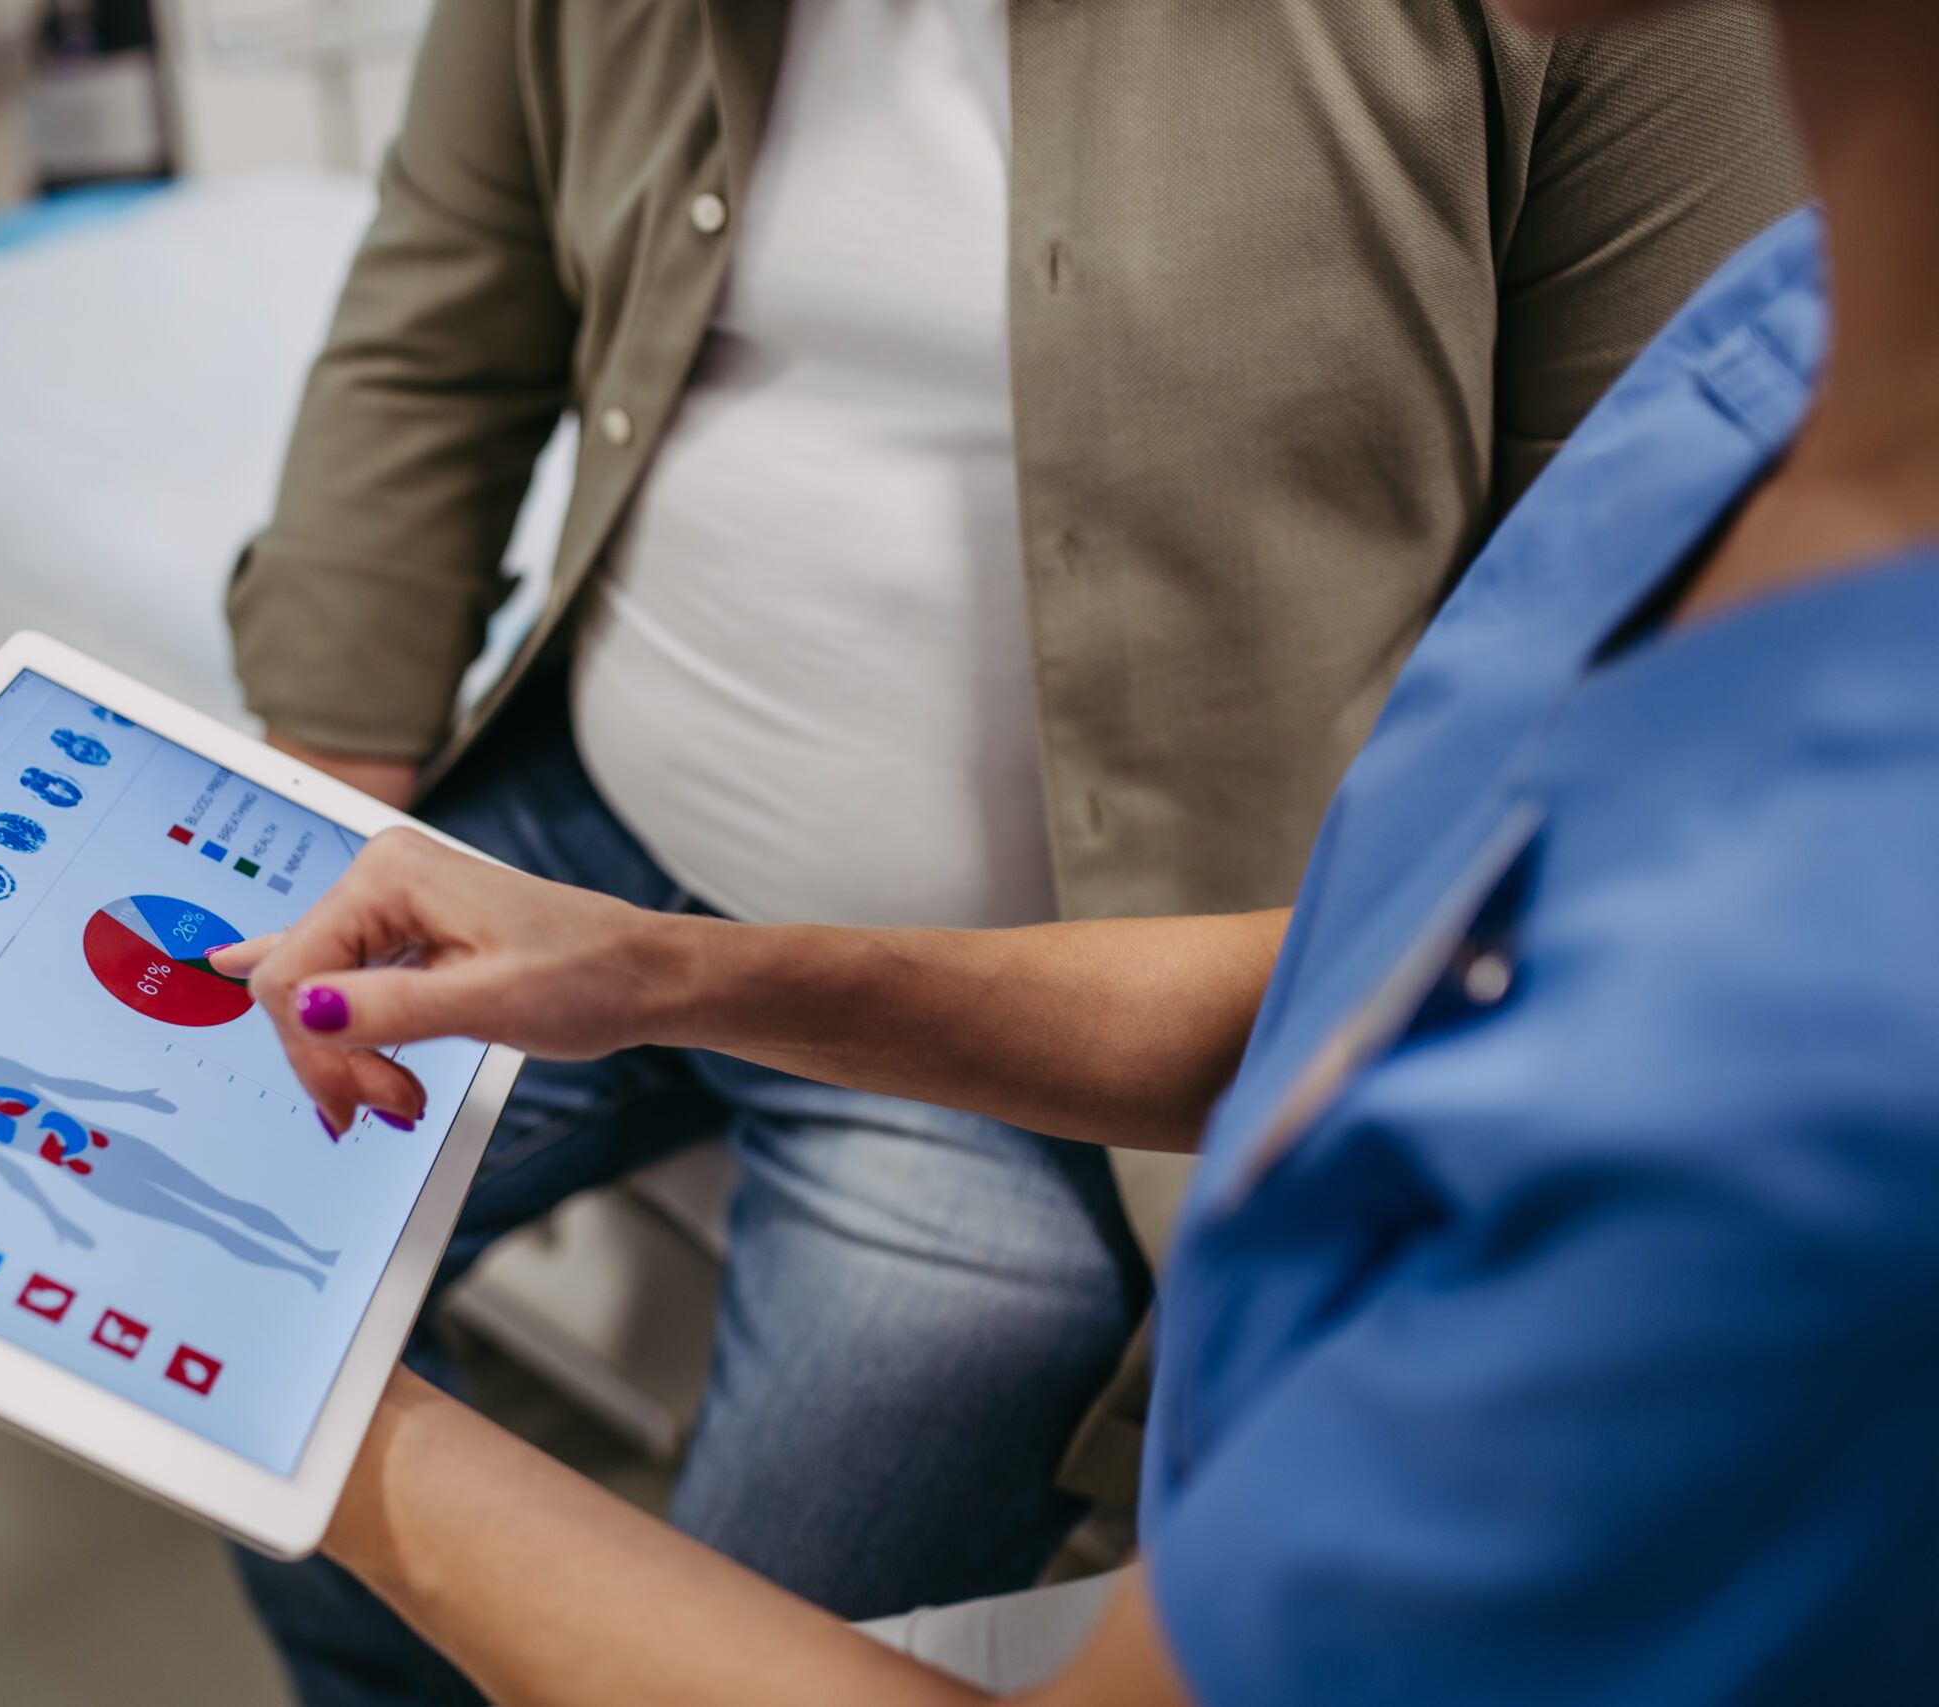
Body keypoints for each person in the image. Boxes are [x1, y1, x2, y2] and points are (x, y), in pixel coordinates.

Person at [202, 0, 1939, 1696]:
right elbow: (1387, 944)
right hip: (616, 871)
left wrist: (278, 1403)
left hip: (1044, 1034)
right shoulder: (1790, 350)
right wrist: (672, 973)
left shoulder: (1790, 1032)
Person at [0, 1047, 338, 1286]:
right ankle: (306, 1272)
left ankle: (313, 1257)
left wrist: (129, 1098)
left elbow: (66, 1087)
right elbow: (11, 1173)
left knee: (217, 1203)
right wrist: (53, 1215)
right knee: (203, 1224)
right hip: (96, 1177)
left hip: (114, 1147)